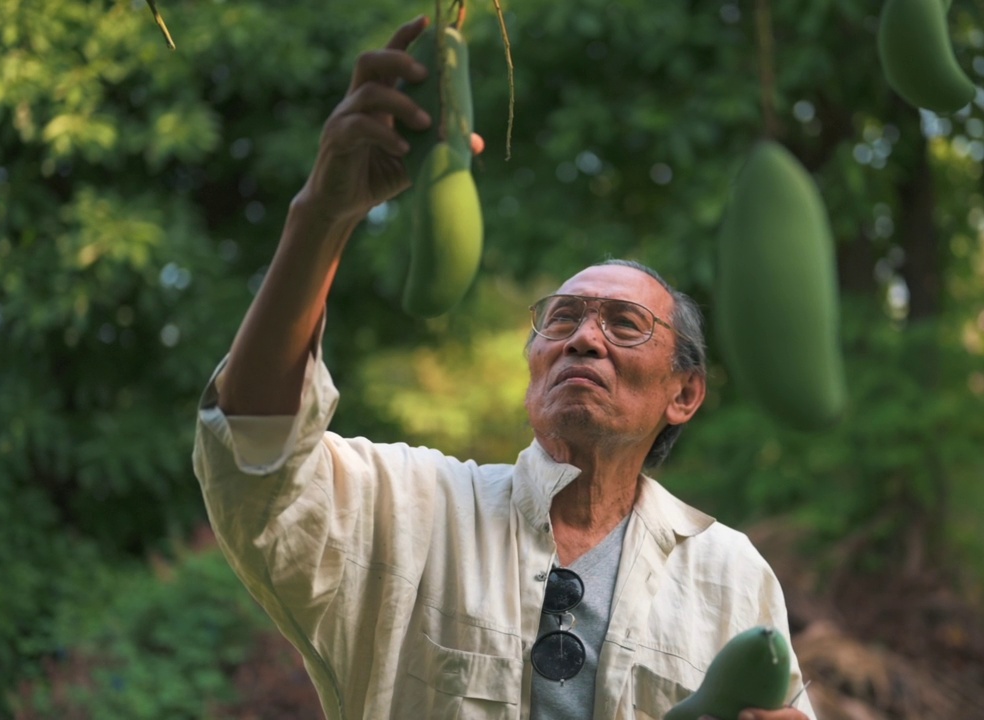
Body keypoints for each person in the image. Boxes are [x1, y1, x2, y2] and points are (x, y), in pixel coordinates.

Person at [191, 14, 817, 720]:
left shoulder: (728, 574)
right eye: (561, 318)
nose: (584, 339)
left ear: (685, 393)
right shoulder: (414, 512)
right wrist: (323, 214)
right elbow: (256, 456)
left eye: (624, 324)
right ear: (533, 366)